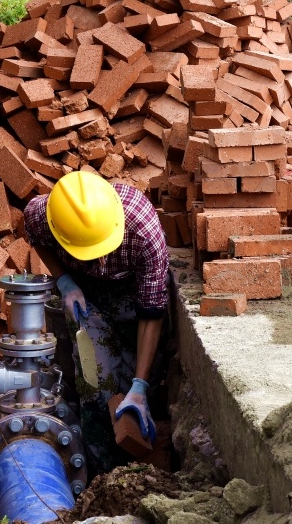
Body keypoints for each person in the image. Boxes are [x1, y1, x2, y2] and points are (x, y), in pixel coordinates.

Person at [23, 169, 170, 470]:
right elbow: (33, 235)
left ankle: (147, 467)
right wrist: (64, 281)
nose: (99, 259)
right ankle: (101, 476)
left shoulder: (143, 229)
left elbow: (152, 313)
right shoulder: (44, 214)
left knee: (141, 382)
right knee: (95, 383)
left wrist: (139, 385)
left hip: (133, 292)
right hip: (85, 295)